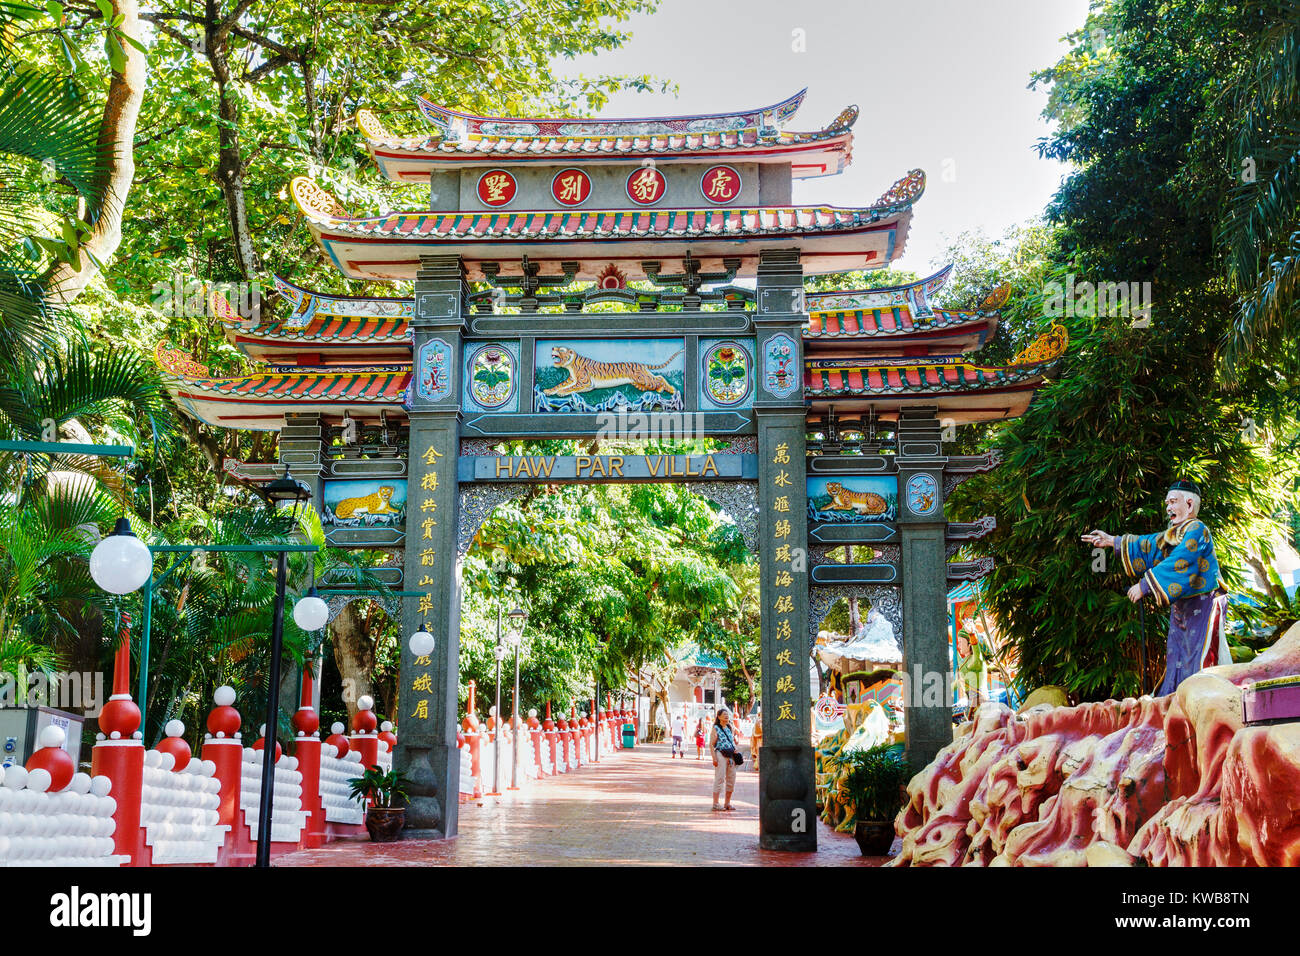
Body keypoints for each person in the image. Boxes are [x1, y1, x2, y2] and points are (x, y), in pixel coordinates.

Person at [1081, 479, 1230, 696]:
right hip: (1184, 605)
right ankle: (1176, 700)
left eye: (1173, 502)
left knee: (1198, 657)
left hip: (1204, 601)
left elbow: (1181, 559)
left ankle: (1202, 701)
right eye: (1167, 503)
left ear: (1189, 505)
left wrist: (1144, 585)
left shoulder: (1198, 529)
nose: (1168, 507)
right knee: (1177, 657)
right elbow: (1148, 544)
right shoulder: (1173, 533)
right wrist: (1112, 541)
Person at [708, 708, 739, 811]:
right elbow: (711, 745)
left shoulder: (730, 727)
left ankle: (727, 803)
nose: (726, 716)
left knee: (731, 779)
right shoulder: (716, 728)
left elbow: (733, 741)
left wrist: (735, 747)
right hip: (720, 754)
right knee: (720, 778)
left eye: (727, 714)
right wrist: (714, 758)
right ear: (719, 717)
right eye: (724, 714)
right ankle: (715, 803)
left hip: (731, 756)